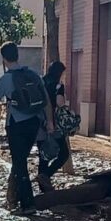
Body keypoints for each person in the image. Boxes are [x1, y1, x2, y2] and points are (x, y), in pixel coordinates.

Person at [0, 42, 54, 216]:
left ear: (4, 59)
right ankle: (13, 198)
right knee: (20, 161)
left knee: (20, 162)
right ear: (18, 55)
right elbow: (46, 101)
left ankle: (27, 204)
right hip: (34, 123)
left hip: (16, 124)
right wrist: (50, 123)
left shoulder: (5, 80)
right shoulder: (33, 75)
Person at [37, 61, 71, 193]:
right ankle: (46, 176)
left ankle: (43, 188)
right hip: (54, 123)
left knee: (43, 155)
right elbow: (60, 103)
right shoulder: (58, 85)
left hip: (39, 122)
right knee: (63, 153)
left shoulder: (41, 82)